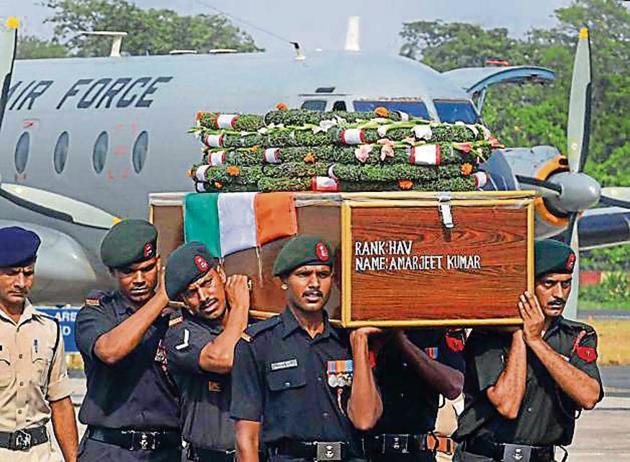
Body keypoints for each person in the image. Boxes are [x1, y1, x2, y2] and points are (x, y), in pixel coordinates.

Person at [231, 235, 383, 462]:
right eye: (303, 275)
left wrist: (359, 343)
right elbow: (247, 440)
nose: (314, 284)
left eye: (323, 275)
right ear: (283, 281)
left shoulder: (346, 340)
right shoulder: (258, 343)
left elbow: (364, 419)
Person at [455, 239, 604, 462]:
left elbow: (589, 396)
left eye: (566, 284)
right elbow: (507, 405)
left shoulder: (578, 336)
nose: (559, 294)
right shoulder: (488, 335)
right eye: (548, 284)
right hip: (485, 456)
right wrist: (519, 333)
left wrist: (536, 341)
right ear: (526, 285)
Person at [75, 219, 180, 461]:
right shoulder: (96, 313)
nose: (140, 279)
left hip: (165, 451)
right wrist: (163, 296)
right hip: (109, 450)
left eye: (147, 268)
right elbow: (110, 351)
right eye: (129, 272)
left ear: (159, 263)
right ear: (112, 273)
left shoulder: (176, 316)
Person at [162, 241, 250, 462]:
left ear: (220, 273)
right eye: (192, 293)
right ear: (183, 300)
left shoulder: (257, 324)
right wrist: (240, 306)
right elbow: (223, 358)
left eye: (207, 283)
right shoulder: (180, 332)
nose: (204, 297)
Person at [0, 226, 78, 461]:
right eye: (12, 273)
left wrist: (72, 458)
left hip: (39, 453)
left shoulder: (48, 330)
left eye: (28, 273)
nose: (21, 283)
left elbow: (60, 402)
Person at [363, 328, 467, 462]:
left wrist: (403, 342)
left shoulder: (432, 332)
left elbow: (454, 387)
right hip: (370, 450)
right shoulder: (365, 336)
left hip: (418, 450)